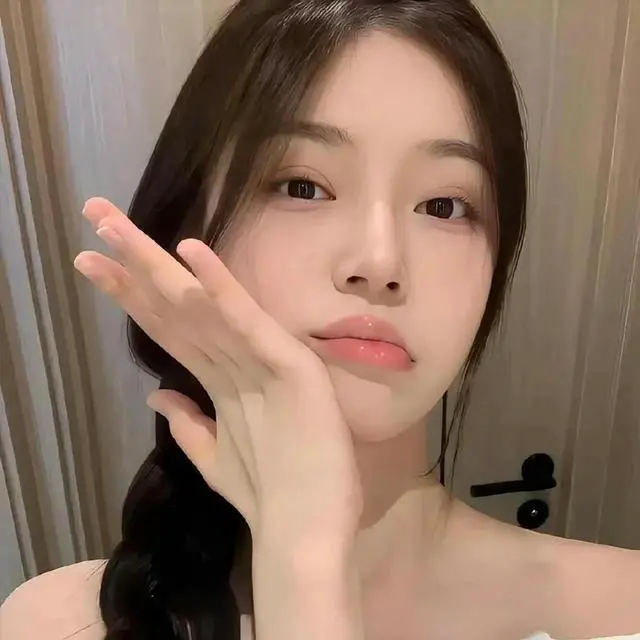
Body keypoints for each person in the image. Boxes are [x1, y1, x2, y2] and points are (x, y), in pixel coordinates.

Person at [2, 1, 640, 639]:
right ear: (189, 228)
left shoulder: (622, 610)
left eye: (444, 205)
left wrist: (305, 569)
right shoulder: (52, 624)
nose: (380, 262)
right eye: (302, 186)